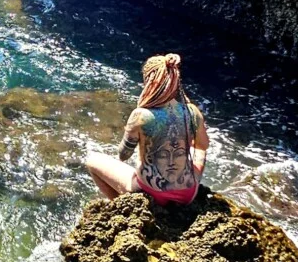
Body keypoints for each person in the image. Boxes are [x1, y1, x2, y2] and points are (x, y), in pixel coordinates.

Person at [84, 53, 209, 206]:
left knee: (92, 160)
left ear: (150, 81)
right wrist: (193, 170)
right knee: (193, 153)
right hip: (187, 195)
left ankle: (122, 205)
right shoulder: (192, 112)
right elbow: (202, 147)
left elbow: (123, 155)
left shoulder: (140, 115)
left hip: (149, 193)